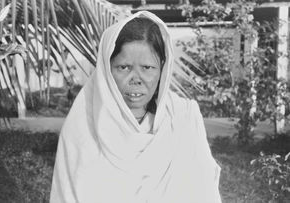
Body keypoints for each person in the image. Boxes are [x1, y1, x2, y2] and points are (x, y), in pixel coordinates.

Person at [50, 11, 221, 203]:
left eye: (147, 68)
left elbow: (203, 192)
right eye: (124, 67)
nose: (136, 79)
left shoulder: (183, 119)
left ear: (162, 68)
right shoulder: (83, 126)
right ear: (106, 69)